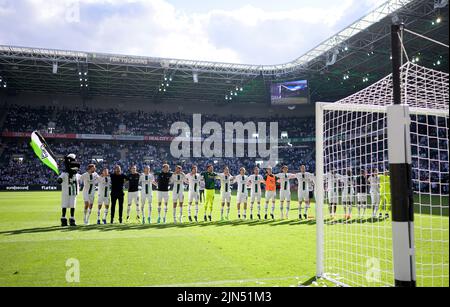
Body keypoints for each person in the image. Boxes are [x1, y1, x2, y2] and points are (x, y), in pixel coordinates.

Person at [57, 154, 81, 227]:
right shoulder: (64, 174)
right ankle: (63, 219)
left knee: (72, 206)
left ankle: (72, 219)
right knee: (64, 205)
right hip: (66, 192)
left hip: (73, 193)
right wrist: (59, 180)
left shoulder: (76, 175)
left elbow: (82, 177)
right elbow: (60, 179)